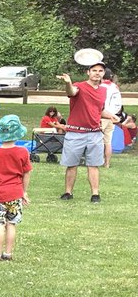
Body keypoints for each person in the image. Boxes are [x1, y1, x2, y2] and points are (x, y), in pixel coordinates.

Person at [0, 115, 31, 262]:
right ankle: (8, 254)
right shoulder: (23, 152)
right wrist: (23, 191)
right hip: (15, 193)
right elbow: (26, 173)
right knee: (12, 223)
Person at [57, 61, 110, 203]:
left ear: (103, 74)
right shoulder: (79, 86)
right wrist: (68, 83)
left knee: (93, 165)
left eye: (100, 71)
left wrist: (111, 115)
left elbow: (99, 110)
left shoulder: (104, 90)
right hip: (76, 132)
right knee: (72, 164)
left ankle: (95, 194)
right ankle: (68, 192)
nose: (97, 73)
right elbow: (71, 92)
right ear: (88, 72)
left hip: (95, 133)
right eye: (94, 70)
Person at [102, 69, 123, 168]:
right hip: (112, 117)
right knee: (108, 142)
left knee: (96, 140)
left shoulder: (100, 86)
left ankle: (97, 161)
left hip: (101, 116)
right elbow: (119, 103)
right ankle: (107, 163)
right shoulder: (115, 87)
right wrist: (114, 113)